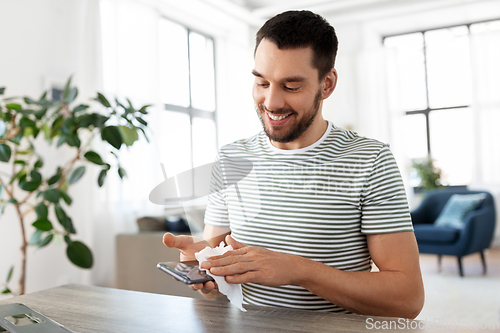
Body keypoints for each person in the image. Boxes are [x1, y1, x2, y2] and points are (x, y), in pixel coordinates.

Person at [163, 10, 424, 318]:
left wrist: (300, 270)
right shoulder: (231, 157)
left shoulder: (370, 161)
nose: (271, 102)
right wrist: (206, 264)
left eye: (291, 86)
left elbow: (406, 299)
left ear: (326, 84)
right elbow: (219, 254)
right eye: (262, 82)